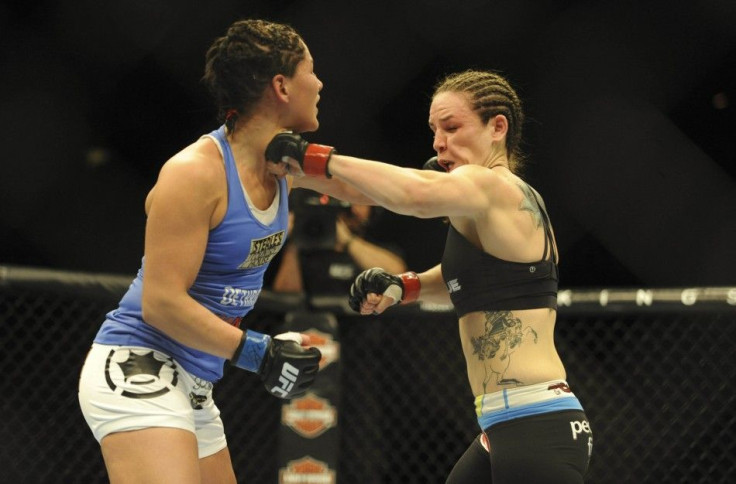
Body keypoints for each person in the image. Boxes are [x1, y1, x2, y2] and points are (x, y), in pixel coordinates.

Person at [264, 69, 593, 483]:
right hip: (504, 425)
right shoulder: (487, 206)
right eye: (434, 130)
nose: (439, 142)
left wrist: (316, 157)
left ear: (498, 127)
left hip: (535, 424)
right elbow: (463, 275)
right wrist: (406, 285)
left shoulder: (492, 186)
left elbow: (413, 196)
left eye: (452, 127)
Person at [77, 19, 331, 484]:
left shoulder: (282, 167)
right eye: (310, 71)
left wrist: (456, 179)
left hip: (196, 382)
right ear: (281, 86)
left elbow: (378, 188)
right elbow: (160, 303)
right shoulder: (195, 173)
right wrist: (259, 352)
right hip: (139, 364)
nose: (320, 82)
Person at [269, 199, 407, 294]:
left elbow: (397, 276)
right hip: (313, 329)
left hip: (363, 329)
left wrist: (347, 240)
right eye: (344, 199)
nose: (351, 207)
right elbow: (286, 296)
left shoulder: (380, 250)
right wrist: (294, 240)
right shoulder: (307, 251)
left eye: (359, 200)